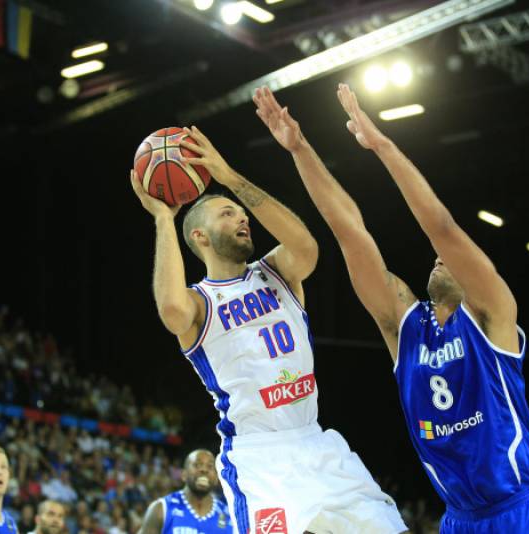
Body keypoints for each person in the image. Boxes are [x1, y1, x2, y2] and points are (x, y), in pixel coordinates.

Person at [252, 84, 529, 533]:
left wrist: (382, 146)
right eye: (437, 257)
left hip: (524, 510)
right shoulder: (405, 325)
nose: (440, 258)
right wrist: (301, 148)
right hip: (461, 519)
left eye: (454, 259)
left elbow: (440, 227)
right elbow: (349, 230)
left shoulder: (491, 315)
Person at [130, 126, 407, 534]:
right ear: (199, 236)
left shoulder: (276, 272)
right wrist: (162, 219)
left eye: (241, 213)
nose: (243, 217)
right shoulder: (200, 302)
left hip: (316, 442)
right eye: (228, 213)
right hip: (259, 457)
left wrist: (230, 179)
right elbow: (171, 311)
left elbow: (307, 246)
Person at [139, 449, 231, 534]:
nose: (204, 470)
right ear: (184, 475)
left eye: (210, 466)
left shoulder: (230, 517)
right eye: (197, 465)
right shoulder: (161, 509)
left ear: (216, 478)